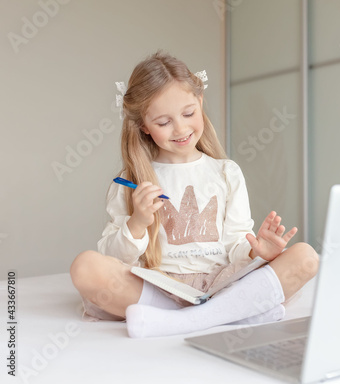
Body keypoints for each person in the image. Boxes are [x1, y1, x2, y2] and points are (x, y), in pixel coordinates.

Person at [70, 51, 319, 338]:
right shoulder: (131, 181)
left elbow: (235, 244)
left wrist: (257, 250)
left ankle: (185, 320)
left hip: (222, 282)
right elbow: (113, 257)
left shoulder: (226, 172)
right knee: (85, 267)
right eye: (164, 122)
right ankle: (227, 313)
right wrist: (137, 222)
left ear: (200, 102)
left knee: (306, 257)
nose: (181, 128)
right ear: (143, 127)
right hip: (159, 285)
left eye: (188, 113)